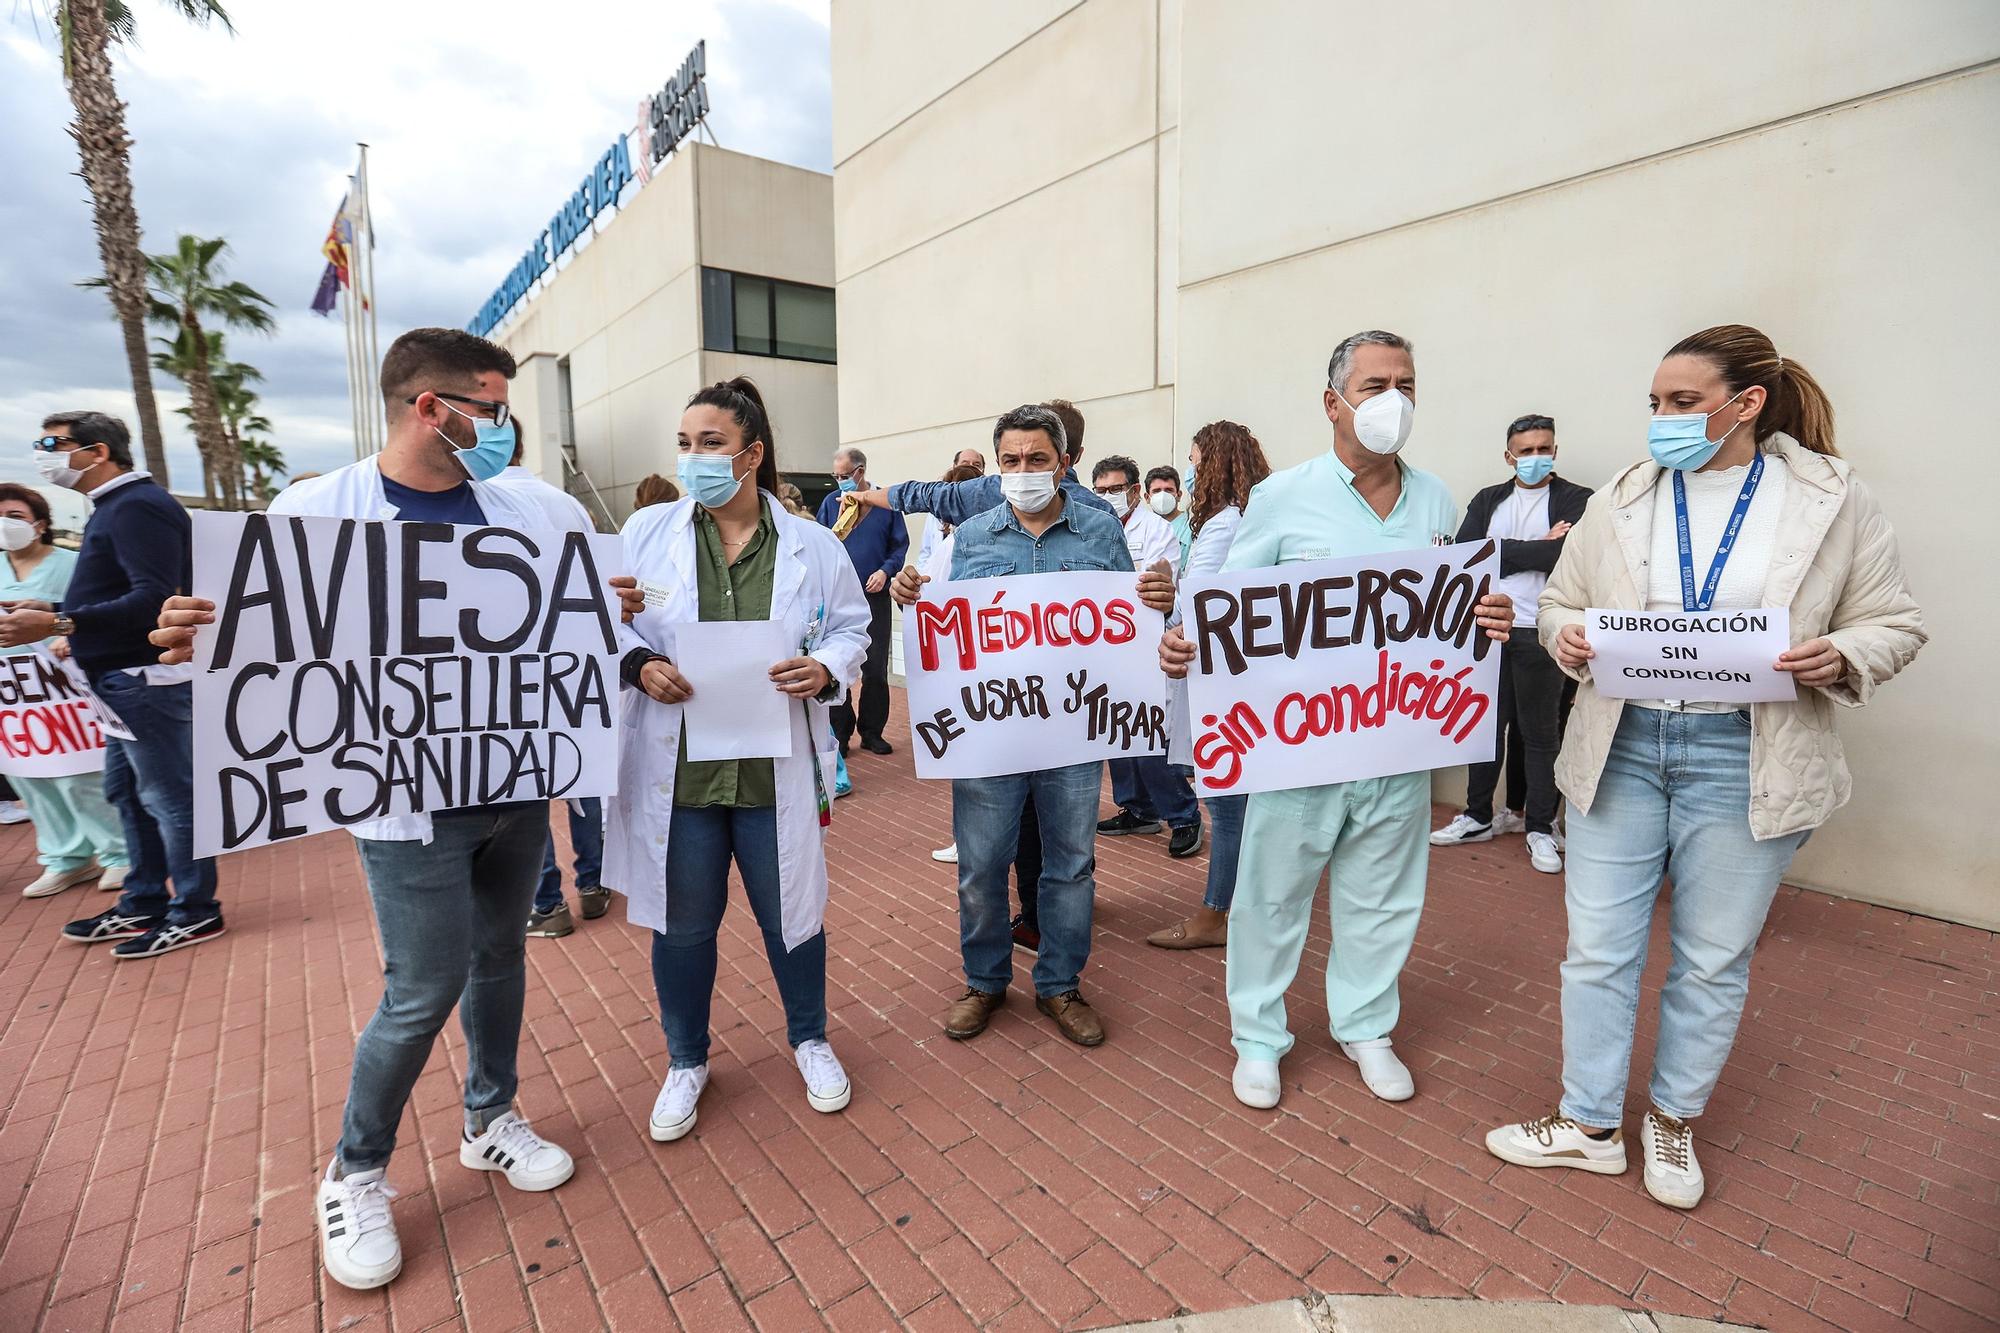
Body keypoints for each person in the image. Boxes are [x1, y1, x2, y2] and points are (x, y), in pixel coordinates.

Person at [152, 329, 624, 1291]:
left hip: (516, 784)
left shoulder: (539, 509)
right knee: (424, 983)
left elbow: (587, 628)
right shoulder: (314, 511)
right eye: (492, 408)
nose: (505, 427)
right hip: (405, 801)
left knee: (501, 956)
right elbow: (266, 647)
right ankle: (357, 1170)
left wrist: (612, 607)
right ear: (430, 407)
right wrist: (196, 636)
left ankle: (490, 1118)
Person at [1485, 325, 1924, 1211]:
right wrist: (1565, 634)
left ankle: (1673, 1120)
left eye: (1682, 403)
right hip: (1626, 744)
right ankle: (1591, 1123)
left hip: (1746, 752)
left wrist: (1840, 653)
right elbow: (1565, 601)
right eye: (1654, 402)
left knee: (1714, 958)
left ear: (1746, 403)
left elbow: (1895, 621)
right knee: (1598, 949)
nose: (1662, 419)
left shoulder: (1832, 500)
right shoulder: (1622, 496)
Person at [1159, 331, 1515, 1110]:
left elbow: (1445, 620)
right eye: (1376, 382)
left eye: (1407, 382)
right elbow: (1231, 609)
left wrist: (1484, 616)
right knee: (1272, 895)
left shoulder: (1437, 500)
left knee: (1383, 896)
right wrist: (1189, 641)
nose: (1395, 398)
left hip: (1399, 745)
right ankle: (1258, 1037)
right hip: (1299, 750)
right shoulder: (1282, 496)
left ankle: (1365, 1025)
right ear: (1333, 402)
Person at [607, 377, 871, 1144]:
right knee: (684, 924)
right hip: (679, 768)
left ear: (751, 454)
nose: (694, 459)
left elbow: (852, 629)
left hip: (772, 766)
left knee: (791, 912)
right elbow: (600, 619)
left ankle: (810, 1039)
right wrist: (635, 664)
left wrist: (824, 667)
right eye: (685, 444)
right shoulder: (647, 533)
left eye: (711, 444)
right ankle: (686, 1059)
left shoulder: (812, 545)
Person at [892, 404, 1134, 1048]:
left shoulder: (1101, 531)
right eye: (1011, 461)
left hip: (1074, 733)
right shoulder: (969, 538)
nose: (1023, 472)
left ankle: (1060, 985)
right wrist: (911, 596)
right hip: (990, 734)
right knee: (980, 864)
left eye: (1036, 460)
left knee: (1072, 864)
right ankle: (985, 981)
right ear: (997, 464)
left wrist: (1157, 605)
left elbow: (1129, 624)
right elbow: (941, 623)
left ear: (1064, 463)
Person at [1, 412, 221, 959]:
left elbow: (155, 600)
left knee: (170, 798)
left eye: (53, 443)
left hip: (143, 679)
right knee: (128, 792)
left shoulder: (137, 505)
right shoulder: (115, 507)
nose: (43, 452)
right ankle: (144, 899)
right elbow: (122, 592)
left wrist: (57, 624)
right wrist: (53, 609)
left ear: (97, 452)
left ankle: (196, 910)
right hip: (118, 681)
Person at [1431, 414, 1593, 874]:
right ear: (1509, 456)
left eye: (1545, 449)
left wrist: (1503, 548)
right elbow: (1464, 555)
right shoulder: (1489, 499)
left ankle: (1541, 826)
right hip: (1488, 627)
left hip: (1542, 631)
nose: (1536, 458)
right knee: (1483, 729)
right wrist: (1534, 545)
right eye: (1526, 451)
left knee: (1541, 734)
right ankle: (1478, 815)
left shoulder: (1577, 500)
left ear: (1555, 451)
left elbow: (1568, 555)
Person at [1138, 423, 1270, 950]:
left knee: (1228, 803)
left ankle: (1217, 914)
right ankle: (1246, 902)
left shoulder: (1224, 525)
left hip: (1218, 684)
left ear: (1215, 463)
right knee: (1242, 801)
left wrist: (1168, 591)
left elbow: (1201, 607)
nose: (1187, 473)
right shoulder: (1251, 519)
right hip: (1238, 680)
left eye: (1193, 462)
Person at [488, 423, 610, 938]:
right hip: (571, 663)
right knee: (581, 778)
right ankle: (595, 883)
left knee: (525, 789)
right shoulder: (565, 504)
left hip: (508, 672)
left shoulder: (483, 502)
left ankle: (546, 902)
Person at [0, 482, 128, 898]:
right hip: (14, 698)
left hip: (67, 692)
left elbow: (96, 612)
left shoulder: (73, 565)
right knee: (30, 778)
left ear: (39, 524)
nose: (5, 525)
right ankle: (65, 859)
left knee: (84, 776)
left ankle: (119, 854)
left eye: (14, 516)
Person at [1094, 454, 1202, 857]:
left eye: (1116, 489)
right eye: (1101, 490)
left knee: (1149, 735)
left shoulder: (1157, 531)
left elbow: (1158, 585)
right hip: (1105, 646)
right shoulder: (1093, 528)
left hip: (1147, 644)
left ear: (1135, 491)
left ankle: (1184, 814)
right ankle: (1137, 809)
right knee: (1114, 730)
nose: (1109, 496)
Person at [816, 447, 906, 757]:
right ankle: (841, 733)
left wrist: (885, 571)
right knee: (838, 664)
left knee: (875, 667)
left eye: (844, 476)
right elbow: (822, 543)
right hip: (839, 598)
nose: (840, 482)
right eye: (836, 476)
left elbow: (898, 548)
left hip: (874, 596)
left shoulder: (885, 504)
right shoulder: (831, 503)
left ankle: (872, 732)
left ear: (860, 472)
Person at [921, 462, 990, 867]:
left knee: (971, 764)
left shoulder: (958, 543)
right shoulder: (959, 542)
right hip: (975, 664)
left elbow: (932, 594)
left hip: (971, 669)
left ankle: (968, 841)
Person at [1146, 464, 1193, 569]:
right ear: (1147, 497)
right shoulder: (1143, 527)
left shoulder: (1190, 526)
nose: (1162, 495)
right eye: (1157, 491)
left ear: (1179, 495)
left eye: (1169, 490)